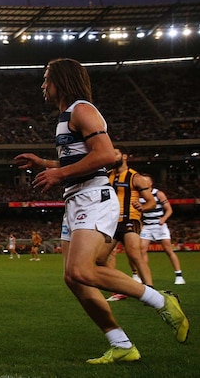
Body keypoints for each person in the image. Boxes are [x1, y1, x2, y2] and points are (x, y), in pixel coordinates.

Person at [14, 58, 188, 364]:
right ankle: (120, 344)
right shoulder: (65, 115)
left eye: (46, 79)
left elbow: (106, 155)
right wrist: (46, 165)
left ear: (62, 81)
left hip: (93, 196)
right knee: (74, 278)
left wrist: (60, 175)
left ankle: (161, 300)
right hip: (76, 199)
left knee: (82, 270)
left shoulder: (83, 109)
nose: (43, 85)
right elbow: (76, 160)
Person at [104, 146, 156, 300]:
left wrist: (143, 207)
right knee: (100, 258)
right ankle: (122, 287)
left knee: (134, 254)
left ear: (124, 156)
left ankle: (150, 290)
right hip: (111, 222)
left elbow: (151, 202)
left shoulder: (135, 177)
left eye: (116, 154)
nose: (112, 157)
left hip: (130, 220)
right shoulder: (107, 176)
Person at [138, 175, 185, 285]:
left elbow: (169, 209)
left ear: (150, 183)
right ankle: (143, 276)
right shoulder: (139, 195)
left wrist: (163, 219)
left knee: (168, 250)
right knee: (141, 250)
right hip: (147, 226)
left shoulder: (158, 193)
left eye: (145, 181)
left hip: (159, 226)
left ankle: (179, 275)